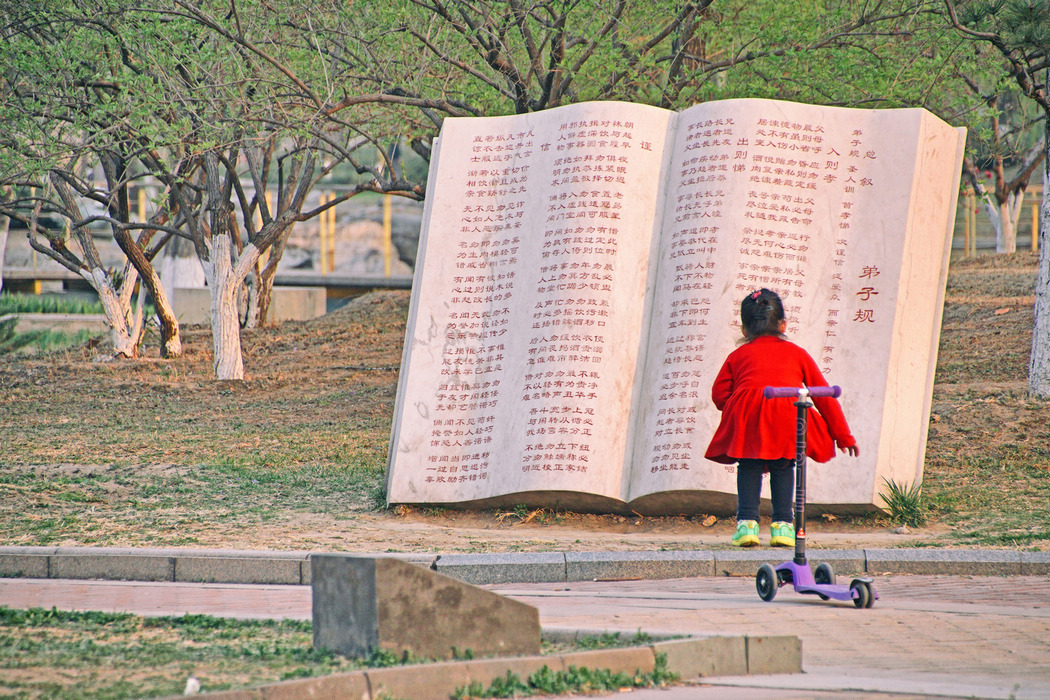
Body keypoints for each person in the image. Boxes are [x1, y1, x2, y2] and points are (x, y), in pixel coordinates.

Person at [704, 288, 859, 547]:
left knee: (749, 466)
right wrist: (843, 436)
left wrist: (738, 408)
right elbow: (823, 395)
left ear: (744, 330)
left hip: (749, 416)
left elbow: (719, 394)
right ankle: (783, 527)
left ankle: (747, 525)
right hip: (788, 414)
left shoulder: (737, 356)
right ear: (783, 324)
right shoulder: (798, 353)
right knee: (784, 466)